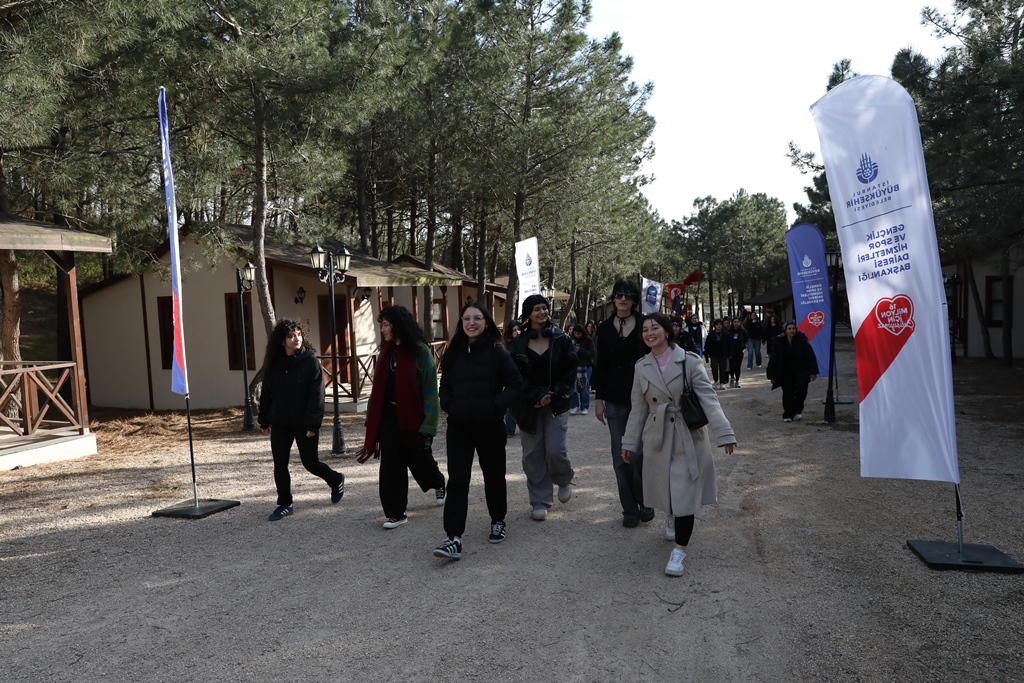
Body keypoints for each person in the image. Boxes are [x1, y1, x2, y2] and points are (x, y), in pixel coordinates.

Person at [621, 312, 737, 577]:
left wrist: (725, 433)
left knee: (684, 493)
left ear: (667, 331)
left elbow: (709, 400)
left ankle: (679, 551)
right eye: (645, 330)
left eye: (655, 328)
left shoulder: (690, 361)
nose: (650, 333)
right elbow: (638, 409)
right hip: (658, 435)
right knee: (666, 488)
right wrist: (629, 442)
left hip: (687, 436)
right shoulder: (641, 367)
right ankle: (671, 514)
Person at [432, 301, 524, 560]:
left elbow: (516, 386)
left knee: (494, 476)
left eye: (477, 318)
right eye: (466, 318)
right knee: (458, 480)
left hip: (489, 425)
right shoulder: (454, 352)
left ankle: (498, 519)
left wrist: (494, 406)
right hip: (459, 427)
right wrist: (448, 404)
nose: (471, 323)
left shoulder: (497, 351)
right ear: (461, 322)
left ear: (486, 322)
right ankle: (453, 537)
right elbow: (445, 386)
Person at [356, 305, 446, 529]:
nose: (383, 329)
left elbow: (430, 393)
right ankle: (396, 513)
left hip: (413, 417)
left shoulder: (421, 352)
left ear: (398, 326)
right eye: (382, 325)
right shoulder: (386, 353)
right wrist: (371, 416)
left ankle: (438, 482)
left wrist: (429, 425)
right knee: (391, 463)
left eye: (386, 325)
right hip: (389, 415)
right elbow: (378, 388)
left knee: (419, 461)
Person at [258, 319, 345, 521]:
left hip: (304, 423)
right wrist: (264, 420)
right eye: (291, 336)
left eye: (298, 334)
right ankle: (285, 503)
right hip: (281, 423)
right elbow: (267, 394)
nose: (296, 338)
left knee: (310, 463)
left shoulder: (310, 361)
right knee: (280, 463)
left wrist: (313, 424)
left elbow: (317, 395)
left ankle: (335, 479)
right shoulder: (273, 363)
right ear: (282, 341)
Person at [591, 279, 656, 529]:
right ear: (613, 297)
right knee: (621, 456)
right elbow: (601, 364)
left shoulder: (645, 324)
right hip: (615, 397)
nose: (623, 298)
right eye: (619, 294)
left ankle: (645, 501)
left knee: (640, 454)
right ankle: (629, 509)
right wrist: (599, 399)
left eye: (628, 295)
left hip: (644, 396)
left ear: (635, 299)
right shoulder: (605, 328)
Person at [509, 294, 577, 521]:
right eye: (536, 308)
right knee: (532, 454)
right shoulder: (517, 343)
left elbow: (570, 371)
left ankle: (563, 479)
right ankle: (540, 500)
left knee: (556, 450)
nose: (542, 312)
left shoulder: (561, 338)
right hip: (528, 405)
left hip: (556, 403)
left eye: (544, 308)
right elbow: (514, 376)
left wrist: (554, 394)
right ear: (528, 313)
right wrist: (536, 395)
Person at [766, 321, 819, 422]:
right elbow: (774, 359)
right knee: (788, 394)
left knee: (802, 393)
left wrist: (813, 372)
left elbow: (810, 357)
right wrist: (772, 375)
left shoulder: (802, 341)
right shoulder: (779, 343)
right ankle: (788, 414)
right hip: (786, 373)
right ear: (785, 330)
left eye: (793, 328)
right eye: (789, 329)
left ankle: (797, 411)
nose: (791, 331)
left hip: (801, 371)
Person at [568, 323, 595, 415]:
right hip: (573, 367)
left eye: (578, 334)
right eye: (575, 333)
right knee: (573, 387)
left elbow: (592, 353)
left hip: (585, 366)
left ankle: (584, 406)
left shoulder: (588, 340)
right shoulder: (570, 340)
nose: (577, 335)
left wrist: (580, 350)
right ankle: (574, 405)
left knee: (584, 387)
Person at [502, 320, 523, 436]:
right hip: (513, 378)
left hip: (525, 377)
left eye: (519, 329)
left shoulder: (527, 343)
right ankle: (510, 427)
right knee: (510, 402)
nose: (517, 332)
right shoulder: (508, 347)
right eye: (514, 330)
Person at [703, 319, 730, 390]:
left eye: (720, 324)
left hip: (723, 354)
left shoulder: (726, 334)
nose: (719, 326)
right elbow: (707, 344)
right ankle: (715, 381)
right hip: (713, 354)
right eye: (717, 324)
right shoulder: (711, 334)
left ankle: (722, 383)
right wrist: (706, 353)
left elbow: (729, 344)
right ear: (715, 326)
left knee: (723, 368)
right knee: (714, 367)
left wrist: (729, 353)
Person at [726, 317, 749, 388]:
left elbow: (746, 339)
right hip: (731, 351)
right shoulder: (729, 331)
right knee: (732, 365)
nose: (736, 323)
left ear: (740, 323)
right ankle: (732, 377)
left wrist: (744, 346)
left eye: (737, 322)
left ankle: (737, 380)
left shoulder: (743, 331)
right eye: (735, 322)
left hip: (739, 351)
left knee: (738, 366)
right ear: (732, 323)